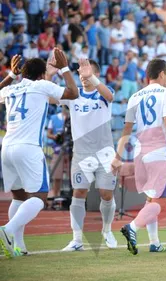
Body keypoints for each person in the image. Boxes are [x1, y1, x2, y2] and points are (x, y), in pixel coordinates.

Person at [0, 49, 80, 258]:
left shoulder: (11, 89)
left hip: (7, 148)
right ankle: (7, 230)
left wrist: (10, 75)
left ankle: (18, 247)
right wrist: (63, 67)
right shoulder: (41, 85)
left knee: (19, 196)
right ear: (41, 75)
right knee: (40, 198)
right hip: (28, 147)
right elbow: (73, 93)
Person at [112, 59, 166, 255]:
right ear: (163, 74)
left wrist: (117, 157)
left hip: (140, 151)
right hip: (160, 151)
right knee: (160, 201)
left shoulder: (135, 96)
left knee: (151, 198)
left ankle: (154, 242)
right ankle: (133, 227)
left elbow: (126, 130)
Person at [60, 59, 118, 252]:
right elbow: (52, 97)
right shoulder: (73, 94)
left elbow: (109, 96)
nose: (83, 77)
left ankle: (107, 230)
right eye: (81, 74)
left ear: (96, 74)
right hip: (81, 153)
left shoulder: (103, 92)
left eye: (87, 73)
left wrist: (90, 76)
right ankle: (76, 239)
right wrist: (52, 72)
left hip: (105, 153)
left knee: (106, 194)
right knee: (79, 193)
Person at [46, 106, 70, 210]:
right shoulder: (54, 118)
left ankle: (73, 198)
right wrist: (55, 137)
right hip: (57, 150)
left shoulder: (73, 118)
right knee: (57, 176)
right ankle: (56, 198)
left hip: (71, 151)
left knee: (73, 177)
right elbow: (48, 134)